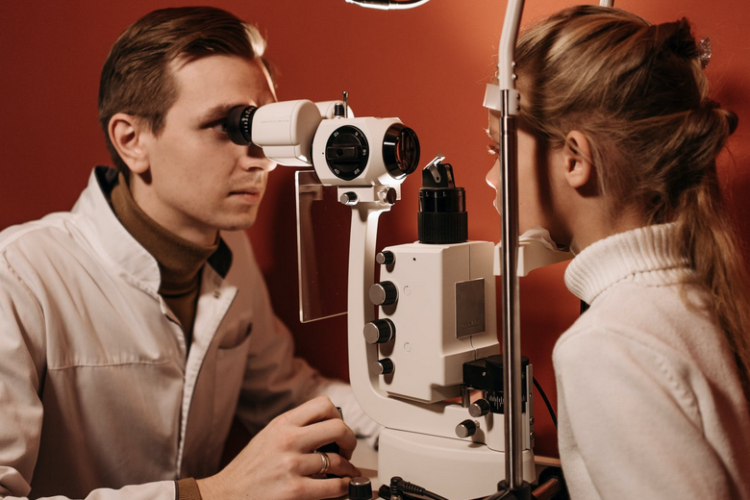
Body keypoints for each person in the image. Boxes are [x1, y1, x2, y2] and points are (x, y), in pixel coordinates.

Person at [0, 7, 377, 500]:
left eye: (262, 127)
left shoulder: (228, 252)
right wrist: (209, 494)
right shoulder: (21, 277)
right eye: (228, 125)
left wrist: (426, 420)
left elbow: (289, 392)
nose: (258, 156)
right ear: (132, 141)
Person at [485, 6, 750, 499]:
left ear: (574, 159)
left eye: (499, 148)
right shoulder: (686, 294)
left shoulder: (605, 346)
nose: (492, 175)